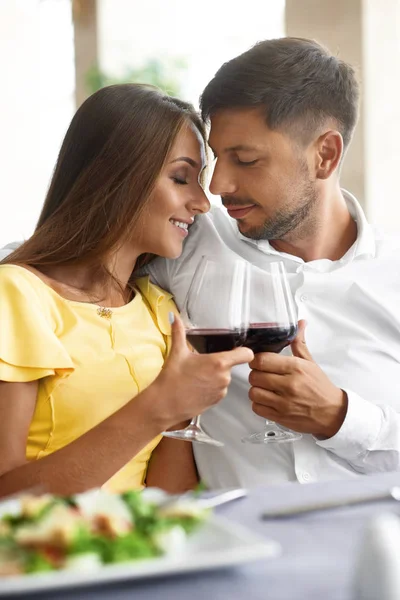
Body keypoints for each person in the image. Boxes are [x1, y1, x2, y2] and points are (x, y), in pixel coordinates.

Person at [145, 37, 400, 491]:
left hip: (373, 551)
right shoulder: (190, 240)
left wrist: (339, 417)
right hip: (234, 548)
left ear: (325, 155)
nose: (219, 184)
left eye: (246, 160)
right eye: (218, 159)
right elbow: (61, 261)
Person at [0, 84, 253, 498]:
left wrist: (184, 413)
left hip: (134, 554)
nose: (202, 202)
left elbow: (166, 498)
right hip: (41, 554)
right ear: (116, 177)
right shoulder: (17, 296)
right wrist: (160, 408)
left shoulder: (160, 312)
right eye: (180, 178)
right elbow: (5, 496)